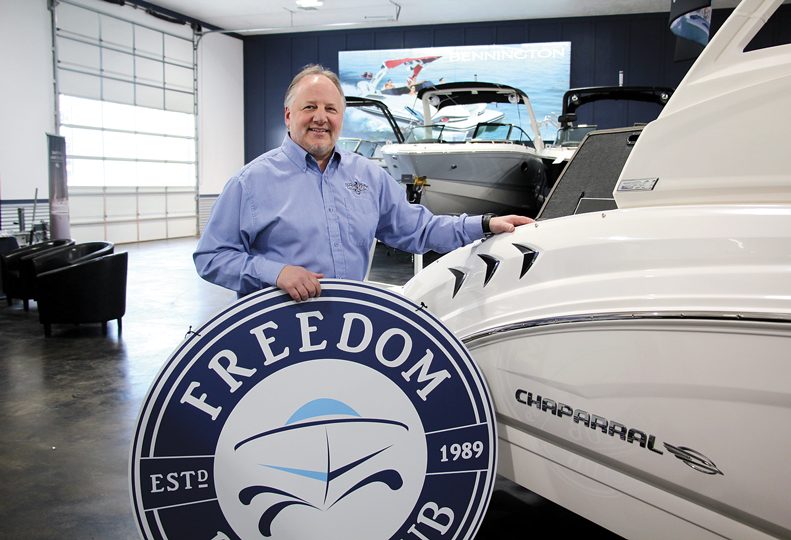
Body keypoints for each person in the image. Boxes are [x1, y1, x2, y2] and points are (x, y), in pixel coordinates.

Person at [194, 64, 533, 302]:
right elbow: (211, 257)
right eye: (309, 107)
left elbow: (420, 230)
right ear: (288, 116)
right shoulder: (250, 183)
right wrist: (276, 272)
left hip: (349, 329)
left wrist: (485, 224)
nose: (320, 117)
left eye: (331, 109)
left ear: (341, 117)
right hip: (276, 337)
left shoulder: (368, 176)